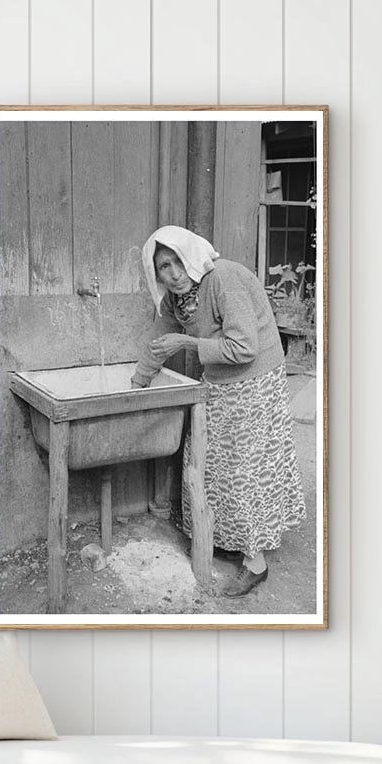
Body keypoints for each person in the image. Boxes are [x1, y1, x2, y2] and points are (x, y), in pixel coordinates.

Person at [131, 225, 306, 598]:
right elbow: (157, 345)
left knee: (246, 469)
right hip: (221, 380)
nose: (173, 273)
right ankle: (232, 538)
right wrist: (134, 386)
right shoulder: (175, 301)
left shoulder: (223, 278)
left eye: (177, 261)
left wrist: (189, 343)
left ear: (191, 256)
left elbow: (244, 348)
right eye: (163, 267)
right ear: (155, 273)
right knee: (211, 464)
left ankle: (255, 562)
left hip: (256, 379)